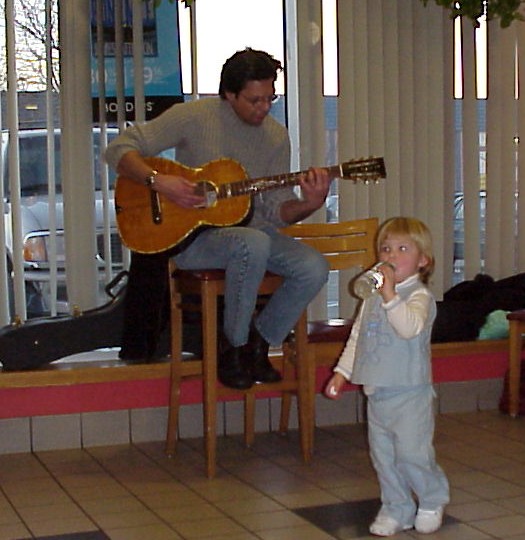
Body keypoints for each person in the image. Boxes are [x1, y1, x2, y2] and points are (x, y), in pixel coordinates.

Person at [105, 48, 331, 390]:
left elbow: (276, 212)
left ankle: (259, 344)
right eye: (254, 100)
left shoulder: (275, 136)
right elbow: (119, 148)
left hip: (251, 232)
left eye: (270, 98)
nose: (264, 108)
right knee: (252, 242)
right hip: (194, 237)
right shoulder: (193, 116)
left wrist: (311, 203)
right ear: (229, 95)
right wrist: (159, 181)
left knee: (313, 266)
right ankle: (233, 348)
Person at [324, 217, 449, 537]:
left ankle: (432, 499)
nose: (391, 256)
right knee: (384, 457)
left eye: (402, 249)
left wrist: (391, 294)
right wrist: (342, 371)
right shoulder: (372, 298)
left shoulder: (419, 297)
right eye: (386, 248)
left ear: (423, 261)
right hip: (377, 392)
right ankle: (397, 506)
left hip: (410, 392)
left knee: (412, 453)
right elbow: (359, 337)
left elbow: (409, 327)